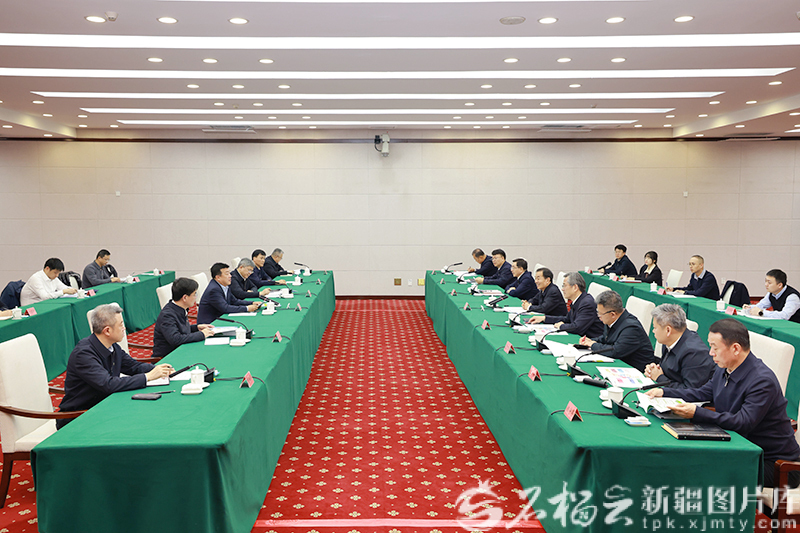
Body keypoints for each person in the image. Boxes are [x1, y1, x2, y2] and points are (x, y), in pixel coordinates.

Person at [647, 318, 800, 488]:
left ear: (735, 348)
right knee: (687, 457)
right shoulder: (724, 368)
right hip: (740, 449)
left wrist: (697, 413)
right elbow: (701, 392)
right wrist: (665, 392)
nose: (710, 353)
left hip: (775, 464)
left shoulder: (762, 380)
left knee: (702, 468)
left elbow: (743, 422)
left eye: (715, 347)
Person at [57, 303, 174, 428]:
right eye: (121, 325)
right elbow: (108, 384)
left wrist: (158, 369)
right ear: (107, 331)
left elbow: (133, 366)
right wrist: (148, 377)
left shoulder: (112, 346)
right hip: (78, 417)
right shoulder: (83, 354)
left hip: (104, 408)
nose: (124, 328)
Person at [579, 290, 657, 372]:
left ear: (612, 314)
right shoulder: (611, 319)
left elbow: (615, 351)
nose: (599, 317)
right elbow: (606, 338)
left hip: (637, 371)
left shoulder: (631, 328)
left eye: (600, 314)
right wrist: (590, 341)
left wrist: (593, 345)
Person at [644, 304, 715, 389]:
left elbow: (690, 391)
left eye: (655, 328)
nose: (653, 331)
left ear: (668, 330)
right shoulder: (669, 341)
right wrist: (653, 370)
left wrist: (659, 378)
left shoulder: (694, 353)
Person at [527, 272, 604, 337]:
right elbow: (566, 319)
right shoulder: (578, 300)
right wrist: (544, 318)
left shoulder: (587, 303)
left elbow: (577, 327)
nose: (562, 289)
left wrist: (561, 326)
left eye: (564, 285)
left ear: (575, 287)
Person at [152, 278, 214, 358]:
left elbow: (179, 330)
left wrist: (197, 328)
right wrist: (201, 334)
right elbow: (176, 339)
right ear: (184, 298)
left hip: (182, 351)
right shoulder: (167, 315)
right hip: (169, 357)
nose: (196, 297)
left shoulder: (179, 308)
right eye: (194, 294)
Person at [197, 262, 261, 324]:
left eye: (229, 273)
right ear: (218, 277)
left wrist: (252, 303)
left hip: (221, 318)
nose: (230, 276)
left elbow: (235, 301)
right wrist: (247, 308)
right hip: (210, 324)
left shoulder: (225, 285)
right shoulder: (214, 290)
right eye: (227, 274)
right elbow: (225, 308)